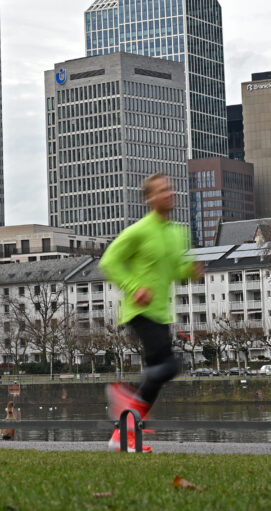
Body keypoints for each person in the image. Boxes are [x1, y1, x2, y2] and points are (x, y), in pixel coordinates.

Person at [98, 172, 201, 452]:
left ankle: (122, 435)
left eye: (170, 188)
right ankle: (123, 397)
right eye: (162, 190)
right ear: (149, 199)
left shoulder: (179, 233)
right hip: (139, 310)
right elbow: (109, 261)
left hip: (162, 313)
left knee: (157, 376)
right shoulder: (139, 231)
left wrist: (189, 271)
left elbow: (173, 270)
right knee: (168, 367)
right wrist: (134, 287)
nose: (169, 193)